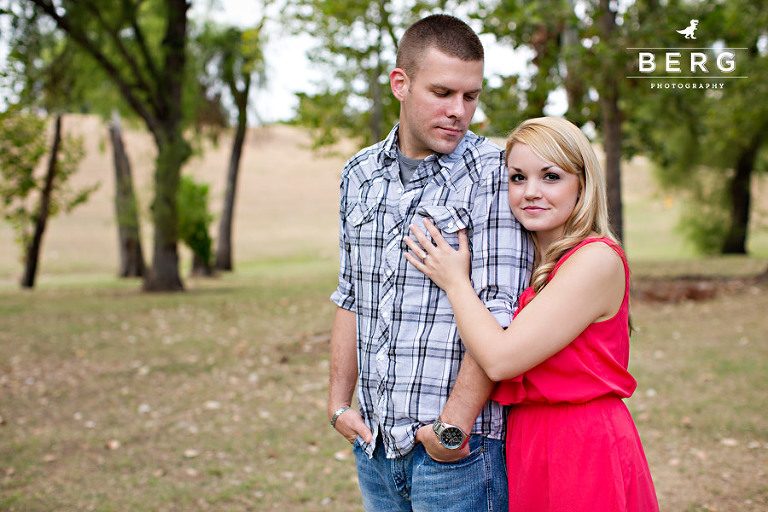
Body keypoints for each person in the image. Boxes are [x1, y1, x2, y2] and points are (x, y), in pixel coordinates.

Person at [328, 13, 532, 512]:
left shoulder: (495, 173)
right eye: (442, 93)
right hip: (375, 444)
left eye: (471, 96)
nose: (459, 111)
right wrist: (337, 403)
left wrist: (451, 427)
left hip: (458, 454)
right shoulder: (358, 174)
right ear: (401, 83)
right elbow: (350, 294)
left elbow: (499, 310)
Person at [404, 116, 660, 511]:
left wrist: (455, 281)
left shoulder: (596, 259)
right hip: (528, 441)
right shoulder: (535, 261)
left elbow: (501, 359)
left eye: (551, 176)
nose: (531, 192)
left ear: (583, 184)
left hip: (581, 446)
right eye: (518, 178)